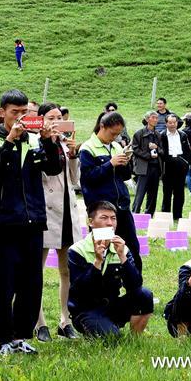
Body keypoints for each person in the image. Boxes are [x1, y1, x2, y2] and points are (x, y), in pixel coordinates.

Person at [0, 89, 61, 356]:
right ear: (2, 112)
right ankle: (3, 339)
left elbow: (53, 168)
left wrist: (49, 141)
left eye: (25, 112)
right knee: (5, 284)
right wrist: (10, 141)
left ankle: (21, 336)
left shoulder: (36, 139)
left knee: (31, 284)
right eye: (15, 112)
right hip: (4, 221)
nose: (20, 117)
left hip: (33, 220)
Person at [34, 102, 82, 341]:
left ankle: (65, 319)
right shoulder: (35, 142)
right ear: (40, 119)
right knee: (38, 270)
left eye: (59, 117)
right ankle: (39, 321)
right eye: (50, 117)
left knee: (67, 269)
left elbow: (75, 178)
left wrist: (73, 154)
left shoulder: (64, 143)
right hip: (45, 211)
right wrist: (48, 142)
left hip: (67, 211)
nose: (55, 121)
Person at [67, 201, 153, 337]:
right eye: (104, 218)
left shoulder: (122, 248)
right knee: (113, 337)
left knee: (144, 295)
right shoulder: (77, 250)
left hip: (112, 305)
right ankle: (97, 328)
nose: (110, 223)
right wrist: (97, 262)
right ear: (91, 222)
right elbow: (80, 291)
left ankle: (135, 338)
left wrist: (122, 257)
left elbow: (135, 285)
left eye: (113, 218)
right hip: (86, 310)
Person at [78, 111, 142, 272]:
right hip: (102, 210)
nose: (115, 137)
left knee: (132, 246)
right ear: (102, 126)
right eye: (113, 133)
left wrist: (125, 163)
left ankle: (136, 287)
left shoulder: (116, 146)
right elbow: (88, 178)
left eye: (118, 134)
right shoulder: (88, 148)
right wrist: (110, 164)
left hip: (121, 206)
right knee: (103, 248)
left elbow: (125, 176)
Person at [159, 114, 191, 221]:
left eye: (174, 122)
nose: (172, 125)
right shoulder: (162, 135)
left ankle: (178, 215)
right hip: (168, 165)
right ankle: (166, 214)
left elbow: (187, 150)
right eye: (170, 122)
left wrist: (186, 162)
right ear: (166, 123)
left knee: (179, 192)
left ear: (177, 123)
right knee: (167, 192)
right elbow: (161, 151)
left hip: (180, 164)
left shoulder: (183, 134)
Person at [131, 111, 161, 216]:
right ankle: (135, 213)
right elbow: (135, 149)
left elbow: (162, 150)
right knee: (140, 192)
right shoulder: (139, 133)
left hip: (156, 166)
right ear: (147, 119)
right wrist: (148, 155)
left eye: (157, 118)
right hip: (143, 167)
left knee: (153, 193)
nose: (156, 120)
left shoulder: (158, 134)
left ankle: (149, 214)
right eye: (153, 118)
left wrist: (157, 149)